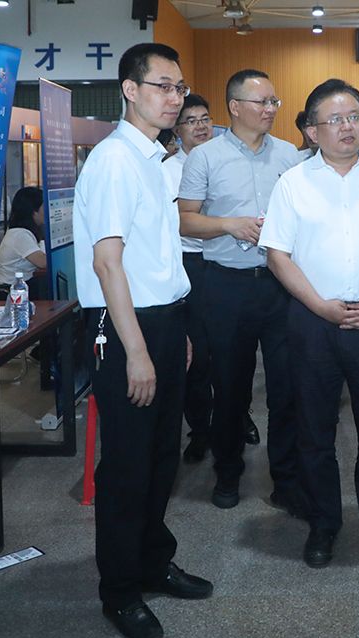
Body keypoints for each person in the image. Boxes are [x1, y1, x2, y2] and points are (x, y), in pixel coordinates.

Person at [73, 42, 212, 638]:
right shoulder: (114, 160)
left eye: (179, 87)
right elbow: (108, 264)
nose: (174, 98)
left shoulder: (155, 158)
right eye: (162, 86)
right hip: (125, 325)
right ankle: (120, 590)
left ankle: (154, 560)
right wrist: (136, 351)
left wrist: (174, 333)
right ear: (130, 90)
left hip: (163, 321)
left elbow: (157, 255)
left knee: (160, 457)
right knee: (128, 466)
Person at [260, 78, 359, 569]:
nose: (348, 127)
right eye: (335, 119)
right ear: (312, 131)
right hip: (313, 323)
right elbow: (277, 255)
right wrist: (319, 306)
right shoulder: (293, 183)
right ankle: (323, 524)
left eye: (354, 116)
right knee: (314, 431)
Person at [178, 69, 303, 515]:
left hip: (280, 284)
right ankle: (227, 472)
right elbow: (185, 219)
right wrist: (229, 224)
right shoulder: (205, 157)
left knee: (287, 387)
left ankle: (285, 478)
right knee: (230, 385)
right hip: (226, 286)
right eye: (262, 102)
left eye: (274, 102)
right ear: (235, 107)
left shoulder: (289, 155)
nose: (271, 109)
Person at [162, 93, 215, 464]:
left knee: (230, 348)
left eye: (205, 119)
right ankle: (200, 429)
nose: (200, 126)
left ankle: (236, 417)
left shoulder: (224, 160)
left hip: (225, 261)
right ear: (177, 130)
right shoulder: (166, 169)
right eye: (191, 121)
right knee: (196, 354)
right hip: (188, 263)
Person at [0, 186, 46, 291]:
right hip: (12, 291)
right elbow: (42, 262)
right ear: (33, 210)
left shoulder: (24, 231)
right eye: (44, 207)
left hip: (23, 285)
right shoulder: (20, 235)